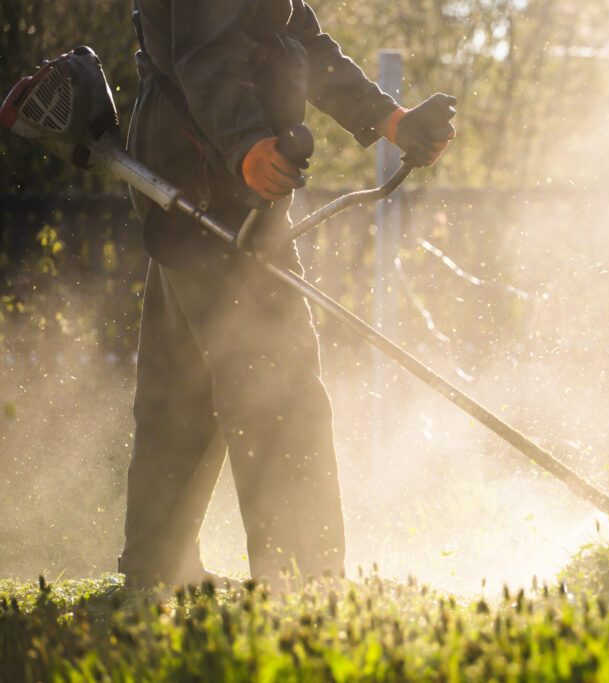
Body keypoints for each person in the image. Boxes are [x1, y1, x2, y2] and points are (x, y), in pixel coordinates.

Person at [119, 0, 455, 589]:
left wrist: (391, 120)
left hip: (201, 183)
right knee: (281, 387)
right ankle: (304, 581)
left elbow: (300, 41)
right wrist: (246, 143)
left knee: (184, 388)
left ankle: (158, 568)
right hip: (211, 186)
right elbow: (205, 55)